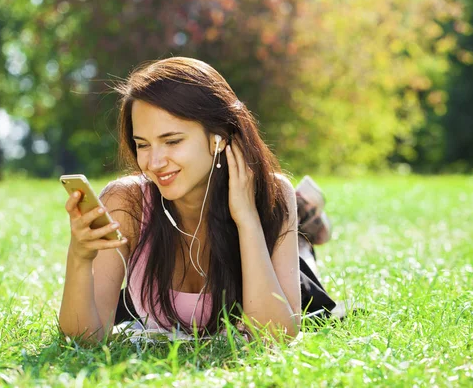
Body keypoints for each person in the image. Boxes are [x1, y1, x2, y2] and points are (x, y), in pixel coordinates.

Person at [58, 57, 336, 343]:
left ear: (218, 138)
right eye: (142, 144)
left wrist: (248, 220)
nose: (154, 162)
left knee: (305, 271)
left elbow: (276, 336)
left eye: (172, 141)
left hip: (278, 263)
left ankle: (307, 221)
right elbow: (83, 340)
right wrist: (79, 257)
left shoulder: (272, 194)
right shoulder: (127, 203)